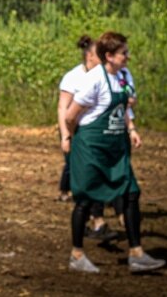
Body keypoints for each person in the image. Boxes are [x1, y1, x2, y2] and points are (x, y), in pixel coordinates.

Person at [65, 31, 165, 273]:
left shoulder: (122, 76)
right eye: (124, 53)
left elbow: (123, 107)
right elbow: (70, 116)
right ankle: (77, 255)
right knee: (85, 200)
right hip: (92, 147)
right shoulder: (94, 79)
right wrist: (72, 139)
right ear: (109, 56)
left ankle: (136, 253)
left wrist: (130, 128)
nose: (128, 57)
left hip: (117, 147)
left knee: (131, 193)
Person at [57, 36, 116, 240]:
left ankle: (95, 222)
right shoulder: (73, 77)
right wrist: (66, 135)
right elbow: (63, 109)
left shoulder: (104, 76)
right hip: (76, 133)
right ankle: (93, 222)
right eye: (99, 53)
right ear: (90, 55)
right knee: (85, 178)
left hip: (96, 134)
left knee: (94, 177)